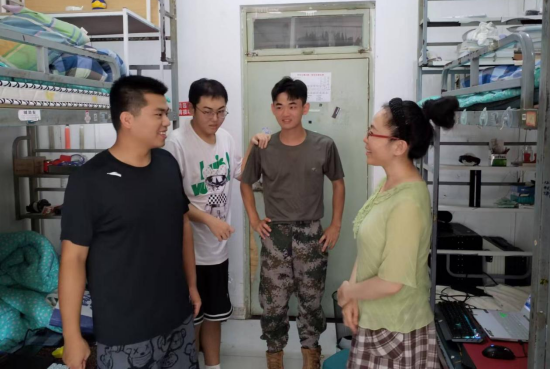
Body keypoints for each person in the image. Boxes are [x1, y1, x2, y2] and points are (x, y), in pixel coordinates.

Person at [59, 76, 201, 370]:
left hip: (178, 319)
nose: (167, 122)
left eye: (166, 113)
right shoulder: (89, 181)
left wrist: (192, 284)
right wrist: (72, 337)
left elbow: (183, 225)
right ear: (127, 119)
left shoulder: (167, 164)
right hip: (125, 334)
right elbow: (73, 259)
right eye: (158, 114)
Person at [338, 96, 459, 370]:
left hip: (396, 333)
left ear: (399, 146)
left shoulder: (408, 203)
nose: (365, 139)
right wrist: (354, 295)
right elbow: (368, 247)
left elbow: (391, 282)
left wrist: (348, 291)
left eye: (372, 132)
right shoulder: (388, 184)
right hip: (375, 322)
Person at [241, 77, 346, 370]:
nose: (285, 112)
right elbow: (245, 182)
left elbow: (338, 183)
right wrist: (254, 219)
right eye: (279, 106)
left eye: (292, 105)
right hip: (275, 235)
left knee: (311, 301)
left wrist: (335, 224)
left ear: (304, 108)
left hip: (311, 233)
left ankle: (311, 357)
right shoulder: (264, 146)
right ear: (272, 109)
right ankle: (274, 357)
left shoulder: (323, 145)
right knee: (273, 303)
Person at [165, 78, 270, 370]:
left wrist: (253, 146)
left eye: (221, 111)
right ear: (191, 109)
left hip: (217, 250)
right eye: (208, 111)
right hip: (188, 252)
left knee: (215, 316)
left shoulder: (225, 138)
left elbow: (240, 173)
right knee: (192, 319)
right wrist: (210, 220)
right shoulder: (176, 143)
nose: (215, 119)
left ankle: (214, 366)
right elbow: (172, 201)